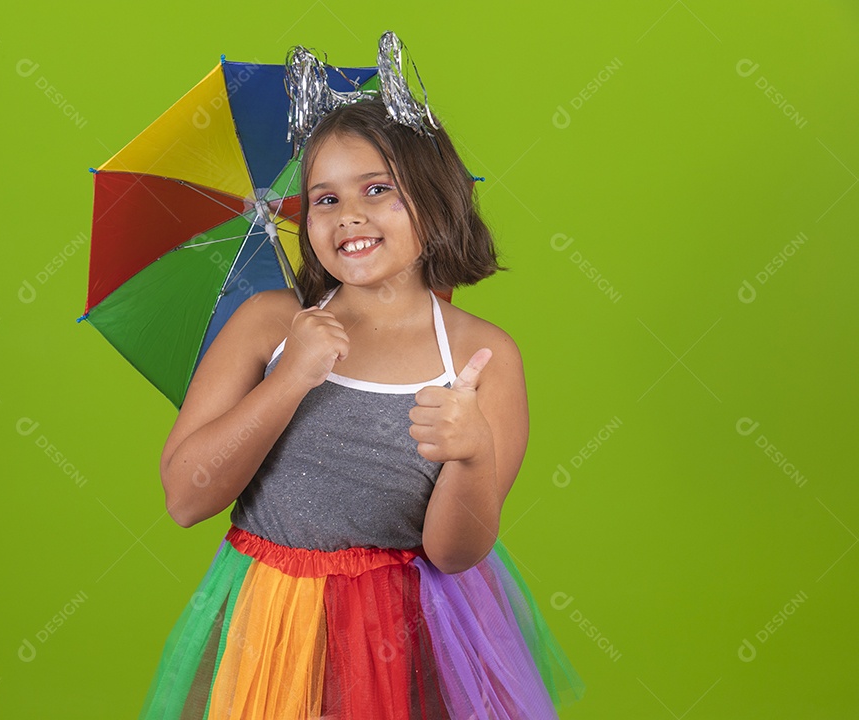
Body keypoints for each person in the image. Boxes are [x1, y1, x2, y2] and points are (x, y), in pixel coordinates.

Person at [138, 96, 586, 719]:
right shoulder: (268, 325)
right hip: (271, 625)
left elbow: (456, 552)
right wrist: (288, 377)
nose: (349, 215)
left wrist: (471, 452)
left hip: (412, 632)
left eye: (377, 189)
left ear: (434, 201)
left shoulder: (482, 355)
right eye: (324, 199)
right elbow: (186, 498)